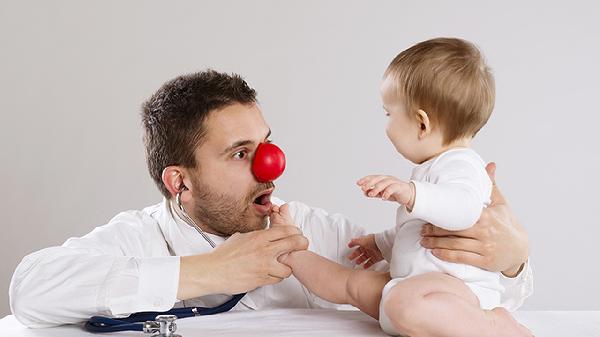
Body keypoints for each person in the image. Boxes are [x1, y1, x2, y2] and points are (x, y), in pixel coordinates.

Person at [9, 69, 532, 328]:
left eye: (266, 145)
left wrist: (510, 264)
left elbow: (452, 304)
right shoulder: (140, 236)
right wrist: (211, 272)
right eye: (241, 154)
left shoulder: (313, 230)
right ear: (179, 182)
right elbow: (29, 292)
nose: (270, 166)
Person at [272, 38, 533, 336]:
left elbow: (465, 210)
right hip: (417, 283)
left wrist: (411, 193)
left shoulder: (463, 164)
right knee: (350, 284)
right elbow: (422, 229)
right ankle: (290, 251)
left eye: (389, 113)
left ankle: (492, 325)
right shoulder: (433, 169)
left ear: (422, 124)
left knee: (402, 304)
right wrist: (382, 243)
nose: (386, 123)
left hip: (457, 292)